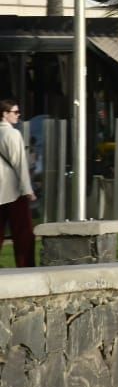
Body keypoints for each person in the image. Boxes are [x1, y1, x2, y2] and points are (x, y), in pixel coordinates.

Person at [0, 98, 36, 267]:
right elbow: (19, 162)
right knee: (23, 234)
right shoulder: (12, 134)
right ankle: (25, 267)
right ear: (4, 114)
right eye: (14, 112)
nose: (18, 115)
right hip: (13, 190)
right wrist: (27, 189)